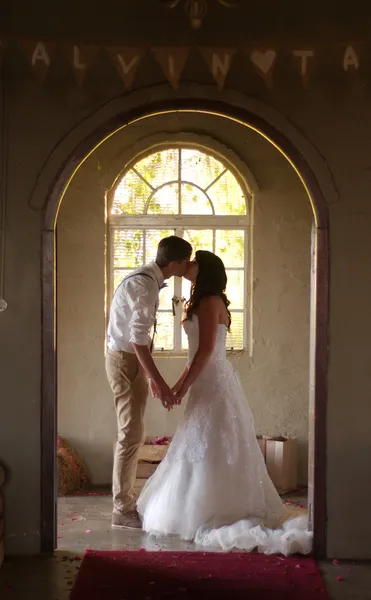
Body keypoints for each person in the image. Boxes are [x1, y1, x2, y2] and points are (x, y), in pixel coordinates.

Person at [137, 250, 312, 555]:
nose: (188, 265)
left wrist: (178, 388)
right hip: (206, 380)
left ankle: (216, 507)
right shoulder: (203, 300)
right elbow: (196, 356)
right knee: (202, 441)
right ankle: (198, 503)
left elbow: (204, 353)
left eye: (194, 263)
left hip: (213, 381)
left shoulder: (209, 302)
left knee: (214, 442)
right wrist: (178, 387)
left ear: (205, 271)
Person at [106, 235, 192, 530]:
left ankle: (125, 500)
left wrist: (149, 376)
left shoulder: (148, 279)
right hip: (125, 359)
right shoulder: (143, 284)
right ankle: (122, 507)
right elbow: (137, 340)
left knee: (133, 432)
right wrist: (159, 382)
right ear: (175, 263)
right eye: (186, 262)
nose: (188, 266)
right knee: (130, 433)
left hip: (130, 359)